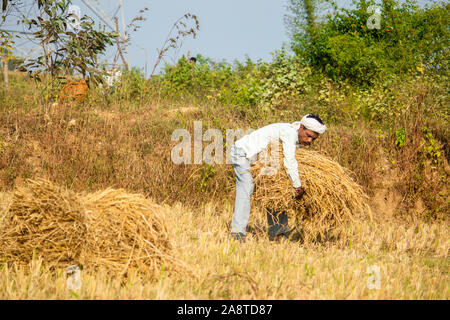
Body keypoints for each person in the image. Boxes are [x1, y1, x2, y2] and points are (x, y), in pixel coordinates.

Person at [230, 114, 327, 242]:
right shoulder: (290, 133)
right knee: (246, 187)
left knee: (276, 191)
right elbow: (289, 161)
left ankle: (278, 232)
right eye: (308, 135)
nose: (309, 141)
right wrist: (297, 185)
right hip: (243, 153)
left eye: (313, 139)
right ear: (301, 127)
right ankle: (237, 232)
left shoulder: (296, 134)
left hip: (261, 158)